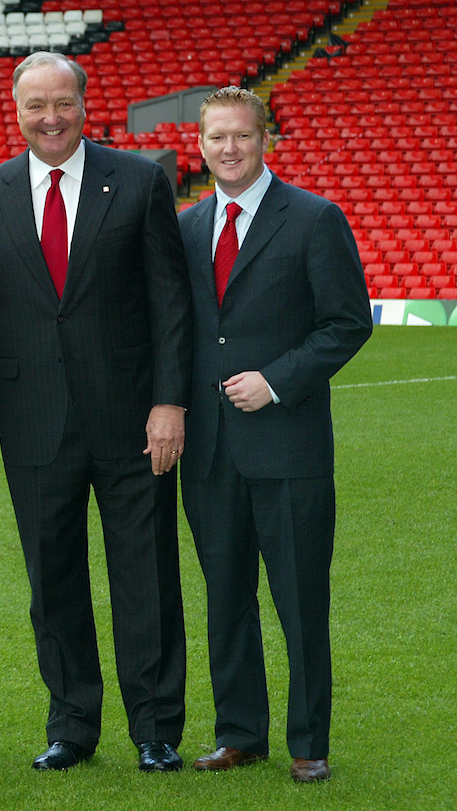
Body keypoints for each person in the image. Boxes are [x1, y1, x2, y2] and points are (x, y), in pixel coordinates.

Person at [0, 51, 192, 773]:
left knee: (145, 575)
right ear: (15, 110)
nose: (49, 118)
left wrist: (169, 400)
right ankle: (73, 724)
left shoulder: (142, 180)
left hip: (133, 422)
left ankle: (155, 727)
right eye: (35, 106)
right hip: (32, 419)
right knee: (52, 579)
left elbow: (169, 304)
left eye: (62, 103)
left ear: (86, 106)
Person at [177, 87, 372, 784]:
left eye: (242, 135)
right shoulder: (187, 225)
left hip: (288, 446)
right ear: (199, 144)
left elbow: (348, 323)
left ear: (266, 139)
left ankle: (308, 742)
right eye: (217, 137)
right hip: (208, 452)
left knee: (298, 598)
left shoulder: (315, 219)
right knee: (226, 598)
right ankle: (239, 733)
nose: (229, 148)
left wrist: (277, 378)